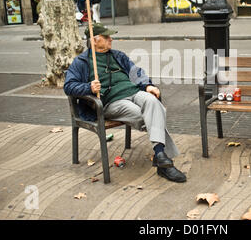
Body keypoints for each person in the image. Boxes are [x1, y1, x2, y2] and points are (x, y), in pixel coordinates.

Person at [64, 23, 186, 183]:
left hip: (134, 91)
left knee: (153, 102)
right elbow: (68, 86)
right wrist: (88, 87)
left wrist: (148, 85)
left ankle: (160, 157)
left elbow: (136, 73)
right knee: (151, 116)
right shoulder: (81, 62)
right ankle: (163, 162)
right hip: (111, 102)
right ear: (94, 40)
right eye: (106, 37)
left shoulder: (117, 56)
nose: (111, 39)